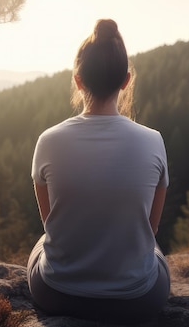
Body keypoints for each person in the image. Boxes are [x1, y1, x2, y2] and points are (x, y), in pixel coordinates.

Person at [27, 19, 170, 324]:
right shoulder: (153, 140)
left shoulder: (48, 141)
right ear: (126, 80)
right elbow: (150, 230)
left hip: (57, 293)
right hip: (136, 300)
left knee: (43, 242)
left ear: (78, 81)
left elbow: (49, 222)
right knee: (153, 250)